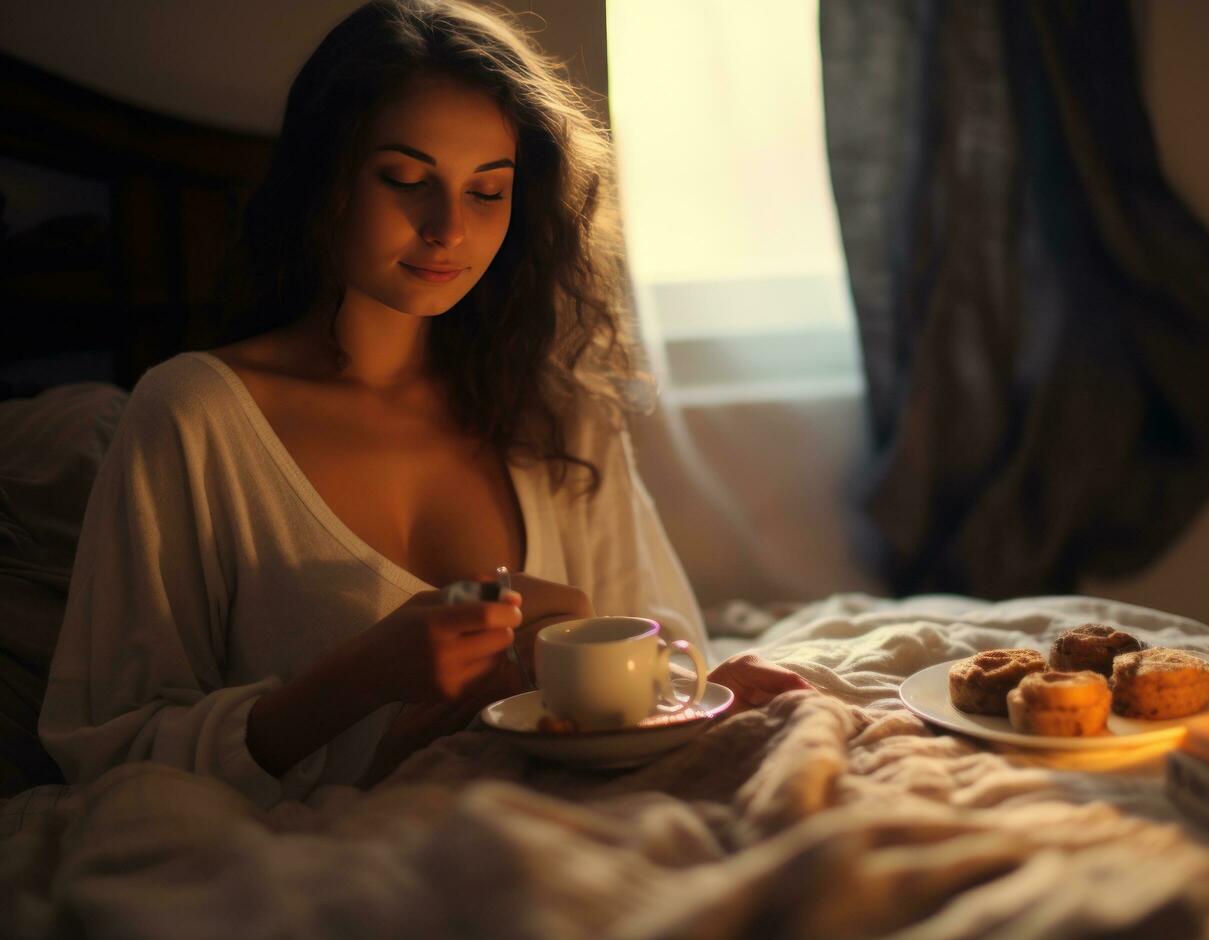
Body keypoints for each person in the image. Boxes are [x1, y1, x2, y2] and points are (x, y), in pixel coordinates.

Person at [39, 0, 809, 807]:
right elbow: (110, 750)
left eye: (487, 192)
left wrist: (706, 690)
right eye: (407, 179)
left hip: (561, 828)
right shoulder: (193, 417)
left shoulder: (563, 411)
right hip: (335, 863)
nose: (448, 228)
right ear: (323, 178)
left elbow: (649, 654)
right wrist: (360, 676)